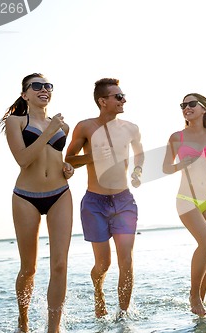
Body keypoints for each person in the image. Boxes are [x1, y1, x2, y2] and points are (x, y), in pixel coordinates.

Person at [0, 73, 74, 333]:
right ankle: (24, 320)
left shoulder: (63, 125)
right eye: (38, 86)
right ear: (25, 94)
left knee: (60, 264)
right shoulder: (15, 122)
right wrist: (49, 131)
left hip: (60, 194)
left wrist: (67, 166)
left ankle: (53, 328)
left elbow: (57, 157)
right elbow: (23, 159)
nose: (44, 89)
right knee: (28, 268)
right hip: (26, 197)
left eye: (48, 86)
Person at [65, 78, 144, 320]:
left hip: (124, 202)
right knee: (103, 264)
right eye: (118, 97)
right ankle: (98, 293)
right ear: (103, 101)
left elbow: (139, 155)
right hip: (94, 203)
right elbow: (68, 161)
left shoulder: (131, 128)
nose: (124, 100)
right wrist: (93, 156)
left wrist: (137, 171)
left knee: (126, 261)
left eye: (123, 96)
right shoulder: (85, 127)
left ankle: (123, 316)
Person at [162, 93, 206, 316]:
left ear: (203, 109)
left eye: (191, 104)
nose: (186, 107)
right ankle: (194, 295)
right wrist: (182, 164)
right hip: (186, 199)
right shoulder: (176, 137)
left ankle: (201, 301)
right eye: (183, 105)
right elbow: (165, 168)